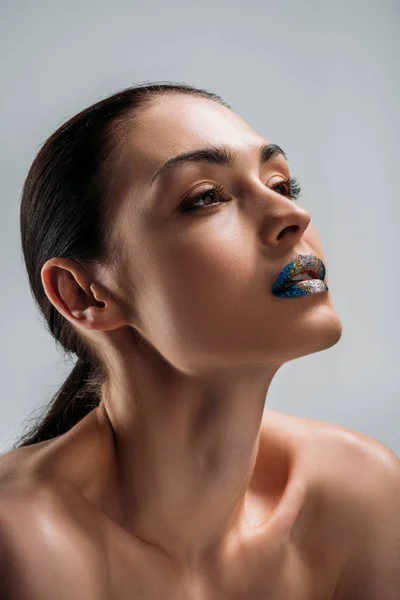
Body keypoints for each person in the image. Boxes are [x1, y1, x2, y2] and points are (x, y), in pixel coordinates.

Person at [1, 81, 399, 599]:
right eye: (206, 197)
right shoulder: (20, 542)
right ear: (85, 294)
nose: (293, 217)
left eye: (281, 185)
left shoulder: (357, 495)